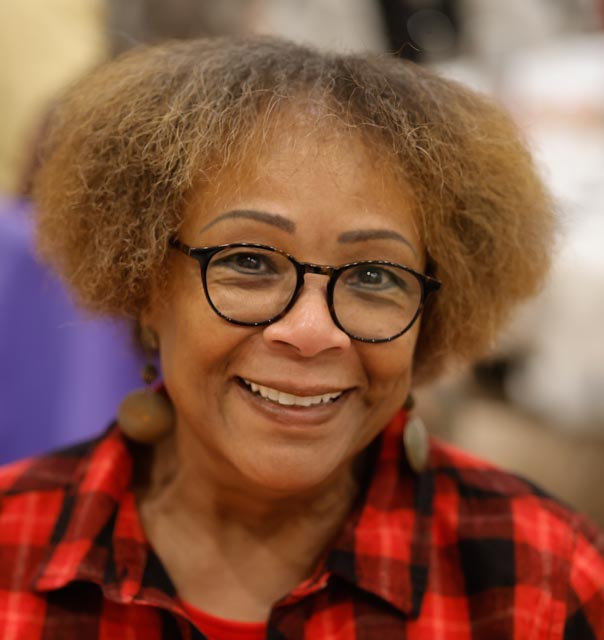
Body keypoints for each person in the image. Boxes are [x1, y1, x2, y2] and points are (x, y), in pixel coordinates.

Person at [0, 36, 602, 639]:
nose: (312, 333)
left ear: (432, 315)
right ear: (147, 286)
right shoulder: (13, 547)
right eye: (250, 262)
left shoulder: (542, 582)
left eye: (374, 276)